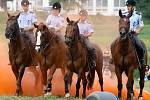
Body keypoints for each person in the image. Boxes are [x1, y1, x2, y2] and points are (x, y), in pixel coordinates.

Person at [124, 0, 145, 68]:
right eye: (127, 6)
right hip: (124, 34)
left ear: (133, 7)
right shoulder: (125, 14)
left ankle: (141, 60)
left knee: (140, 47)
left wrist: (137, 31)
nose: (128, 7)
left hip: (133, 35)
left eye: (129, 6)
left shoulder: (138, 15)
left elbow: (141, 25)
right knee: (114, 43)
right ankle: (113, 59)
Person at [18, 0, 37, 65]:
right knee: (13, 42)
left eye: (26, 6)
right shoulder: (19, 14)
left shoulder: (32, 14)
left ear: (28, 6)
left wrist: (28, 28)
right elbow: (17, 24)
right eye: (24, 6)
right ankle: (13, 57)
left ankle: (34, 59)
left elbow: (34, 25)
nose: (25, 7)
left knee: (33, 42)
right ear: (22, 6)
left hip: (29, 32)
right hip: (20, 32)